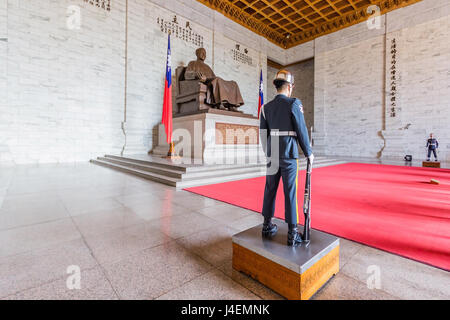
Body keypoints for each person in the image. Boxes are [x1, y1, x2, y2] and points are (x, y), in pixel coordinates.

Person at [259, 70, 314, 246]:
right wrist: (308, 152)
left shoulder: (265, 108)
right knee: (289, 191)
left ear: (276, 86)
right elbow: (301, 130)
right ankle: (292, 233)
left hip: (272, 153)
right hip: (289, 153)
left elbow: (263, 135)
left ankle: (267, 225)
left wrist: (268, 152)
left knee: (270, 189)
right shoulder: (293, 103)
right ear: (290, 87)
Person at [184, 48, 244, 112]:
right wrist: (197, 76)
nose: (204, 55)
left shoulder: (207, 66)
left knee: (233, 83)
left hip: (211, 80)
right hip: (203, 81)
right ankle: (219, 103)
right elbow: (186, 75)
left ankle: (232, 105)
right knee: (217, 79)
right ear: (197, 54)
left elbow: (214, 77)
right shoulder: (192, 63)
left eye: (205, 53)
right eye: (202, 53)